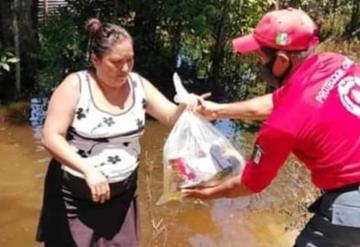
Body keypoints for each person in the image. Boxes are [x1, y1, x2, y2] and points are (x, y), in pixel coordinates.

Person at [185, 8, 360, 247]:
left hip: (351, 206)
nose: (259, 65)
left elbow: (250, 183)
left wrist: (207, 191)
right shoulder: (335, 62)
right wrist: (216, 110)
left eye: (260, 58)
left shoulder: (281, 126)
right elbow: (277, 102)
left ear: (281, 61)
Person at [36, 18, 203, 247]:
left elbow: (170, 116)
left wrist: (188, 104)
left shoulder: (138, 85)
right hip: (75, 195)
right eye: (116, 62)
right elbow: (50, 137)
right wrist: (88, 170)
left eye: (130, 60)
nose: (125, 68)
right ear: (95, 59)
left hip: (122, 195)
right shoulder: (75, 86)